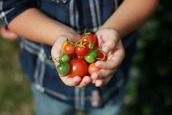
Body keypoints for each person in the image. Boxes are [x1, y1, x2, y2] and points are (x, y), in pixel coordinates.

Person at [0, 0, 159, 115]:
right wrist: (59, 35)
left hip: (112, 82)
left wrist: (113, 29)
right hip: (48, 81)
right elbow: (11, 8)